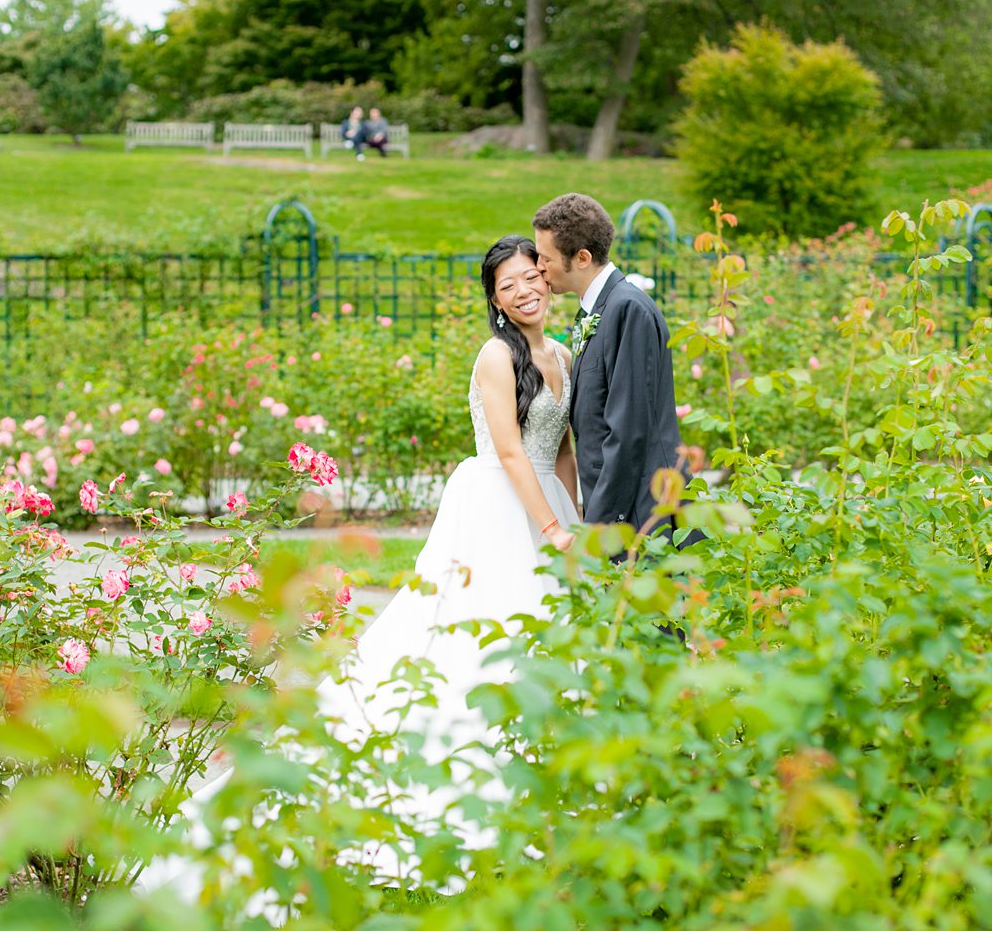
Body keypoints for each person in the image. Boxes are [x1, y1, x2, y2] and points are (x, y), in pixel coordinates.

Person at [136, 234, 579, 910]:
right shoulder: (497, 355)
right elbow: (514, 451)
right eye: (509, 283)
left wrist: (571, 515)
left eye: (531, 277)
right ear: (493, 297)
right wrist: (548, 529)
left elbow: (562, 450)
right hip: (497, 501)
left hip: (546, 499)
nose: (525, 290)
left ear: (546, 278)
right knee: (477, 630)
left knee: (547, 633)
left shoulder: (562, 354)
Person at [532, 193, 686, 537]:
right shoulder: (598, 309)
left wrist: (600, 526)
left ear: (582, 257)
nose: (539, 267)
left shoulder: (627, 309)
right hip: (621, 506)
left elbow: (628, 430)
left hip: (639, 513)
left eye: (545, 258)